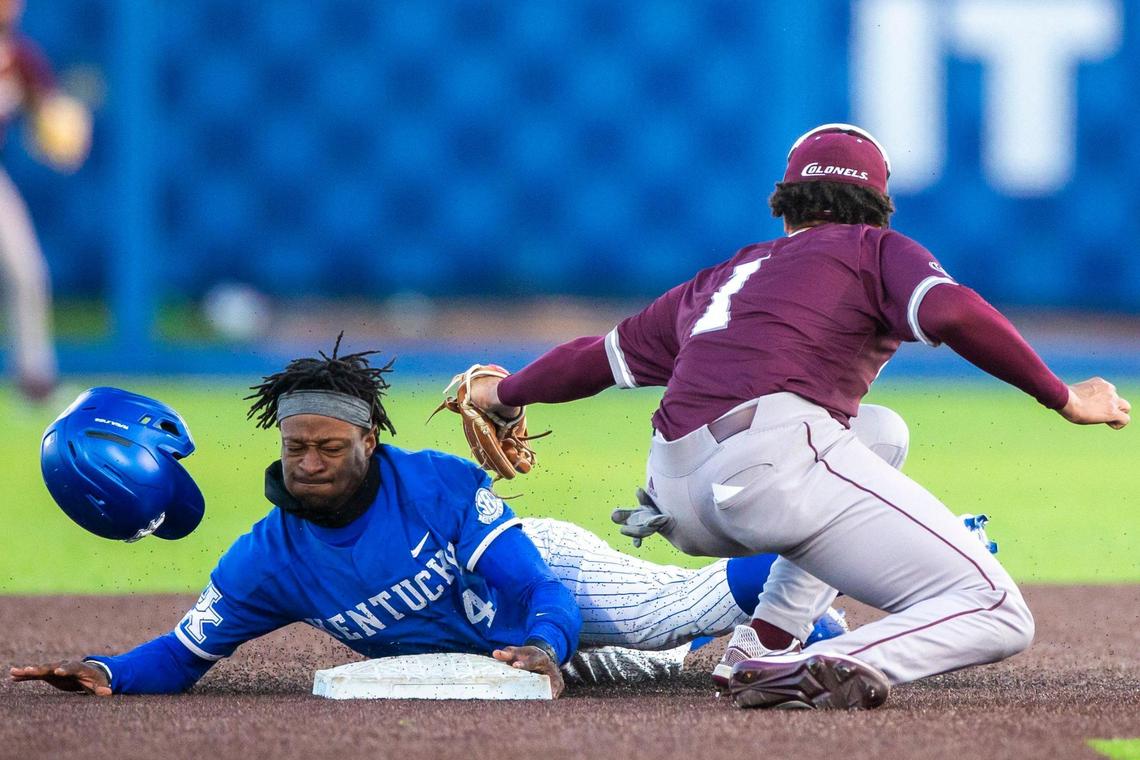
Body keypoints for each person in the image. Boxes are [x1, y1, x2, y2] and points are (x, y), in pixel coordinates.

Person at [459, 123, 1131, 709]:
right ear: (876, 207)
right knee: (997, 610)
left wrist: (506, 393)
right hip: (771, 467)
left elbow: (595, 359)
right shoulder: (874, 249)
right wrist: (1063, 396)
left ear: (786, 207)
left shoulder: (724, 276)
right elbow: (952, 312)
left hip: (675, 497)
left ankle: (766, 637)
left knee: (880, 433)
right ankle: (799, 666)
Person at [11, 338, 857, 699]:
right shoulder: (266, 561)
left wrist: (548, 646)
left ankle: (852, 548)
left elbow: (533, 588)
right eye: (297, 446)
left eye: (330, 447)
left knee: (663, 611)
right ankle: (812, 622)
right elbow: (183, 653)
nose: (309, 463)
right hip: (490, 642)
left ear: (371, 441)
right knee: (665, 669)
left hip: (540, 584)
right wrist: (107, 671)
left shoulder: (437, 486)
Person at [0, 0, 91, 400]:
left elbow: (49, 123)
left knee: (27, 272)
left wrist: (61, 136)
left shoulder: (21, 57)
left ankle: (35, 380)